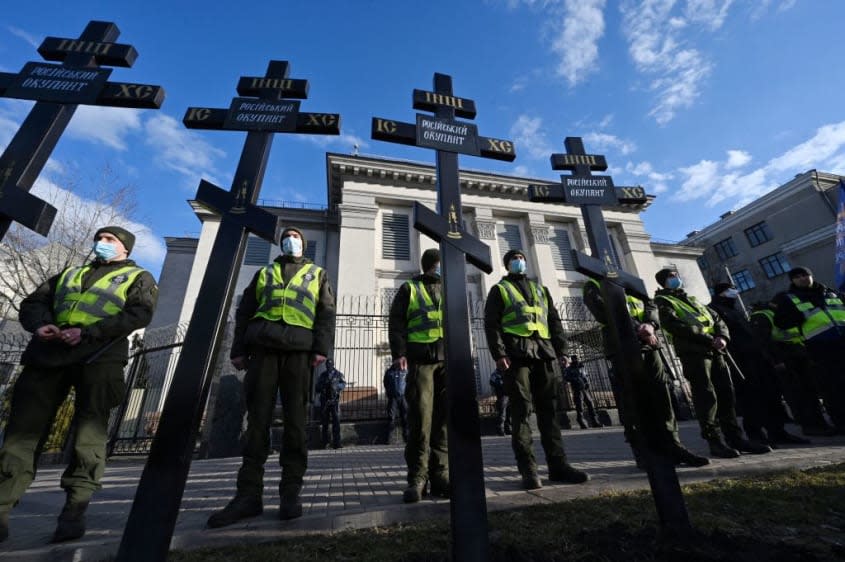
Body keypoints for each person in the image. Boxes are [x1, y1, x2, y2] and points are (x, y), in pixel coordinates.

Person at [0, 226, 158, 543]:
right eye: (99, 239)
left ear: (125, 248)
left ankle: (74, 510)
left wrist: (89, 332)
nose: (101, 244)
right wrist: (41, 324)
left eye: (110, 240)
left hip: (99, 358)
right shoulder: (70, 273)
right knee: (22, 433)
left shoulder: (138, 277)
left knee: (90, 434)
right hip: (48, 355)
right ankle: (2, 507)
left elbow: (139, 314)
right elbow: (33, 302)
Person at [208, 226, 335, 527]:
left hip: (298, 353)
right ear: (281, 244)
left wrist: (322, 349)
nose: (291, 240)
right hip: (262, 351)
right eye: (286, 237)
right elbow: (244, 311)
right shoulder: (265, 273)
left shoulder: (317, 274)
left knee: (295, 424)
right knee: (256, 424)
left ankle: (290, 493)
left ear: (304, 244)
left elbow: (326, 312)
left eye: (296, 237)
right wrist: (237, 349)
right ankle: (248, 495)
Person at [484, 249, 589, 490]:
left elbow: (554, 321)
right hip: (516, 355)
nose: (519, 262)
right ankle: (528, 470)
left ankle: (558, 466)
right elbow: (492, 324)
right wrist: (499, 354)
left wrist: (562, 351)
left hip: (544, 353)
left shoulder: (541, 290)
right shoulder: (500, 289)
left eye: (521, 259)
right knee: (521, 412)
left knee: (549, 412)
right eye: (514, 259)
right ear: (507, 264)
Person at [583, 278, 708, 467]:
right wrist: (639, 328)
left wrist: (650, 324)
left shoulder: (630, 282)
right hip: (622, 345)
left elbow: (650, 303)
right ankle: (643, 451)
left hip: (649, 345)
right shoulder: (593, 283)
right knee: (632, 398)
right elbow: (602, 311)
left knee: (661, 395)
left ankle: (673, 445)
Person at [654, 269, 770, 458]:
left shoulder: (692, 299)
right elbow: (674, 325)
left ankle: (735, 438)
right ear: (663, 281)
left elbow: (716, 319)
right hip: (695, 353)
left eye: (677, 275)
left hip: (717, 351)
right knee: (706, 398)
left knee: (726, 395)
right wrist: (709, 338)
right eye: (671, 276)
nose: (677, 278)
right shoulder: (663, 301)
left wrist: (722, 336)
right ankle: (714, 441)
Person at [709, 283, 808, 446]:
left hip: (758, 358)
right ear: (721, 293)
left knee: (770, 395)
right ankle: (755, 434)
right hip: (740, 360)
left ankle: (777, 431)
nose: (735, 292)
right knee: (750, 398)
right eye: (730, 289)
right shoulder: (716, 309)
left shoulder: (735, 310)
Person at [388, 248, 449, 503]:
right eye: (436, 264)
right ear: (428, 266)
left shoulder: (450, 287)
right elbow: (397, 322)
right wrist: (399, 353)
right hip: (420, 360)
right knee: (420, 421)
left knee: (443, 422)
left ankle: (441, 475)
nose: (439, 268)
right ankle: (417, 478)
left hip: (447, 360)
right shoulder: (409, 288)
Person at [772, 266, 845, 432]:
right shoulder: (789, 299)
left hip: (842, 341)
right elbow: (781, 323)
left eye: (805, 275)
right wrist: (796, 318)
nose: (802, 278)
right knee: (832, 387)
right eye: (797, 277)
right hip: (820, 347)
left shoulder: (830, 292)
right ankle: (841, 421)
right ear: (793, 281)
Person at [750, 301, 834, 437]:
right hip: (785, 357)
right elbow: (763, 341)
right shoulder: (762, 315)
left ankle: (819, 423)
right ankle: (809, 425)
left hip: (798, 354)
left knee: (809, 391)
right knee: (798, 393)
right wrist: (776, 360)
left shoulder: (781, 314)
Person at [562, 356, 601, 430]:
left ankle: (595, 421)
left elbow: (585, 376)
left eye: (576, 359)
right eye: (574, 359)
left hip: (584, 389)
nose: (576, 360)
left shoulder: (581, 367)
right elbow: (566, 378)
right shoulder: (569, 369)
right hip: (577, 389)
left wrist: (587, 383)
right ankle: (582, 422)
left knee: (590, 405)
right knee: (580, 407)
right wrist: (575, 379)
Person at [315, 359, 345, 449]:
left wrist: (336, 387)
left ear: (333, 365)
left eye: (330, 365)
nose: (329, 366)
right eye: (328, 365)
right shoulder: (323, 375)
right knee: (325, 423)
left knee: (336, 422)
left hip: (334, 401)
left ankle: (337, 443)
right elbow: (317, 387)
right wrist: (324, 385)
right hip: (325, 402)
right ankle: (325, 443)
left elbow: (343, 384)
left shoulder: (338, 374)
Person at [383, 364, 409, 444]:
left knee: (405, 417)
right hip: (393, 398)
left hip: (403, 397)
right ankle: (389, 439)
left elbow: (410, 381)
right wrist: (389, 392)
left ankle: (407, 438)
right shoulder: (389, 371)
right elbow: (385, 383)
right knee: (391, 418)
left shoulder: (406, 370)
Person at [489, 368, 512, 435]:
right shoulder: (496, 373)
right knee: (502, 413)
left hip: (509, 394)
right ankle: (500, 429)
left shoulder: (507, 371)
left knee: (509, 413)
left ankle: (508, 429)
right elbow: (492, 381)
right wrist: (503, 383)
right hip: (502, 395)